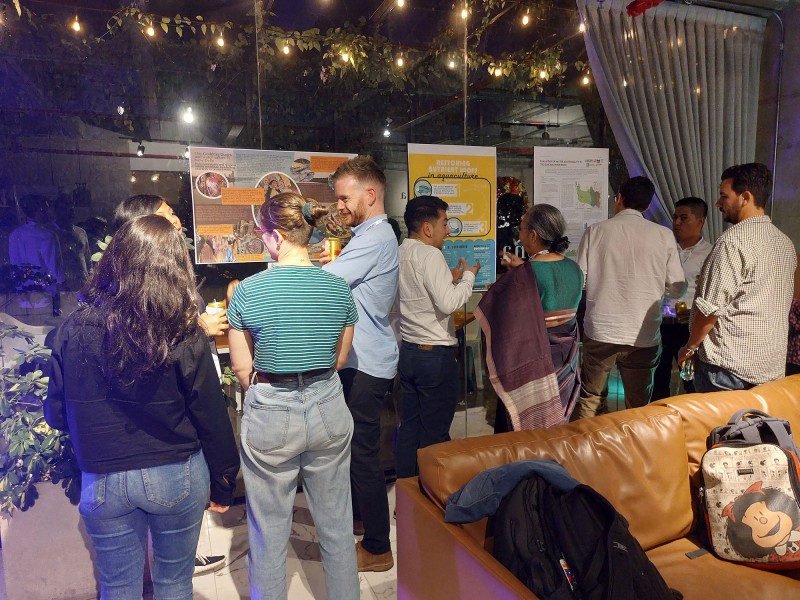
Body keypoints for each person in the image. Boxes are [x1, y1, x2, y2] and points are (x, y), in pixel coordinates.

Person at [44, 215, 239, 599]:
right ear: (174, 268)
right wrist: (224, 481)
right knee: (174, 585)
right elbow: (210, 416)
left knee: (117, 588)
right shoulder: (184, 332)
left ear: (114, 260)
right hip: (176, 473)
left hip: (103, 479)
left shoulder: (73, 329)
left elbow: (56, 415)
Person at [227, 192, 360, 599]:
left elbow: (241, 368)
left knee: (268, 532)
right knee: (337, 528)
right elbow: (340, 359)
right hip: (328, 405)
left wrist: (266, 391)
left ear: (278, 237)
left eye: (264, 234)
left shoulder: (248, 292)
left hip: (271, 407)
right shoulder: (338, 288)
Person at [113, 193, 229, 574]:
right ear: (145, 228)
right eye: (167, 216)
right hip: (165, 444)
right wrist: (200, 327)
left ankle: (181, 554)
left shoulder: (168, 269)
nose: (178, 220)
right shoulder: (138, 287)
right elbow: (153, 334)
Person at [319, 155, 399, 572]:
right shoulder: (368, 234)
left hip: (368, 362)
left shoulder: (376, 237)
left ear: (371, 194)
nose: (339, 207)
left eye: (344, 198)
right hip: (363, 360)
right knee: (355, 450)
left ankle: (378, 548)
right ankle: (360, 520)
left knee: (364, 454)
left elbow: (326, 280)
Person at [679, 163, 797, 392]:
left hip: (728, 368)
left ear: (745, 197)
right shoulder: (784, 242)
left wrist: (690, 347)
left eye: (724, 196)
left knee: (719, 428)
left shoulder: (732, 241)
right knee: (758, 428)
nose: (718, 203)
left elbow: (709, 309)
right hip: (769, 369)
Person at [575, 176, 686, 418]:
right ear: (647, 205)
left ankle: (589, 449)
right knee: (638, 405)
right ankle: (635, 451)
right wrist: (657, 294)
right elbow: (678, 286)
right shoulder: (663, 235)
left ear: (619, 200)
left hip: (601, 330)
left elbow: (579, 279)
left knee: (592, 399)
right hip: (643, 333)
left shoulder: (596, 232)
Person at [395, 196, 479, 478]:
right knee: (434, 431)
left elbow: (423, 294)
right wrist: (468, 277)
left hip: (409, 352)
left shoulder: (401, 252)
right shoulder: (430, 255)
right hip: (435, 357)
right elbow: (448, 304)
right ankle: (429, 497)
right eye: (445, 223)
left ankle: (407, 495)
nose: (449, 230)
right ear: (428, 228)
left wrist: (450, 278)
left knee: (410, 427)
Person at [495, 204, 584, 429]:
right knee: (554, 427)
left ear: (533, 235)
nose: (519, 234)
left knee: (525, 431)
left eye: (522, 228)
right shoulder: (574, 269)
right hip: (565, 361)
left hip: (533, 363)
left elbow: (507, 320)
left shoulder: (524, 274)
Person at [651, 197, 713, 399]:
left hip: (688, 323)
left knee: (689, 376)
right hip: (661, 319)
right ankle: (657, 415)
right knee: (658, 374)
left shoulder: (711, 253)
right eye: (675, 218)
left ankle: (691, 413)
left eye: (683, 218)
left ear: (700, 222)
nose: (676, 223)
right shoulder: (663, 249)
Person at [9, 194, 63, 315]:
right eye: (46, 208)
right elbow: (54, 268)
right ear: (40, 210)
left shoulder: (14, 235)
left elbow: (14, 267)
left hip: (22, 294)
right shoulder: (48, 236)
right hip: (46, 295)